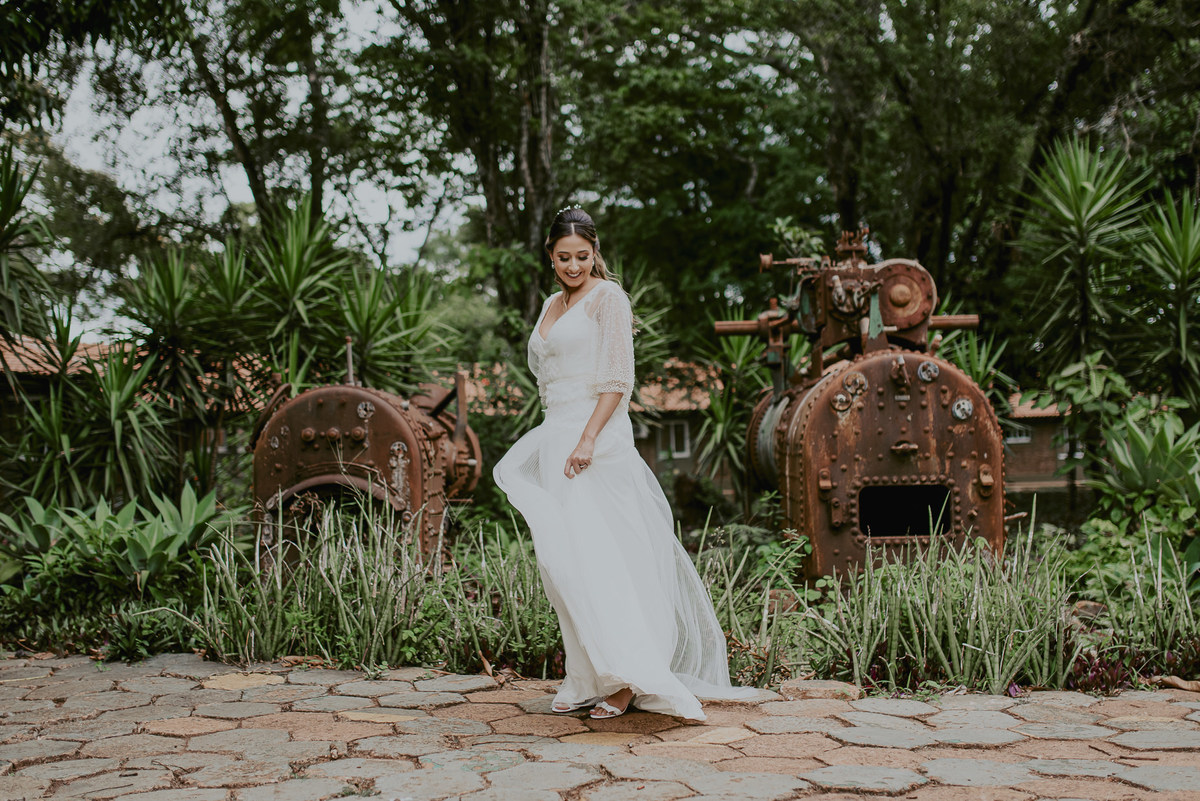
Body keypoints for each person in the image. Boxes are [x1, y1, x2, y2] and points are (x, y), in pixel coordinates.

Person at [493, 206, 757, 721]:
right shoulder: (551, 302)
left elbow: (617, 379)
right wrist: (562, 434)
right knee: (562, 561)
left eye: (583, 257)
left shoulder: (608, 299)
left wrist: (589, 439)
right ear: (550, 255)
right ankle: (586, 673)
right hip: (556, 435)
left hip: (595, 441)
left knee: (605, 557)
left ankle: (626, 680)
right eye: (564, 257)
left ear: (596, 253)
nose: (573, 267)